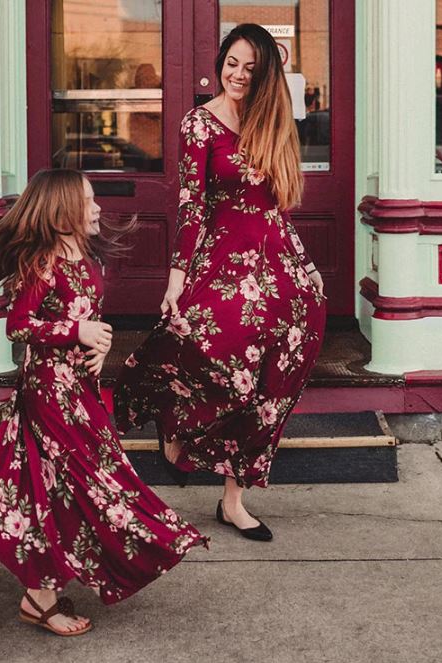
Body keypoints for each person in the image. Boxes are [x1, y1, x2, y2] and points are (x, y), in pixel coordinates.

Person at [0, 169, 207, 637]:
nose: (98, 209)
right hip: (50, 393)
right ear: (64, 211)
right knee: (66, 485)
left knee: (61, 484)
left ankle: (45, 587)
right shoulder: (42, 262)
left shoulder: (86, 258)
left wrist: (99, 343)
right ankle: (42, 596)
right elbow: (18, 326)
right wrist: (76, 332)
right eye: (88, 202)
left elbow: (88, 317)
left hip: (80, 391)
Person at [114, 24, 326, 542]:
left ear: (264, 76)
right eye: (232, 63)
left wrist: (307, 262)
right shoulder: (199, 125)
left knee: (273, 381)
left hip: (277, 266)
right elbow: (190, 205)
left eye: (249, 68)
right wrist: (176, 277)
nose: (237, 74)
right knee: (218, 359)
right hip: (224, 265)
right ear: (220, 65)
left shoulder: (272, 124)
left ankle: (234, 498)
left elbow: (275, 207)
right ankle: (176, 421)